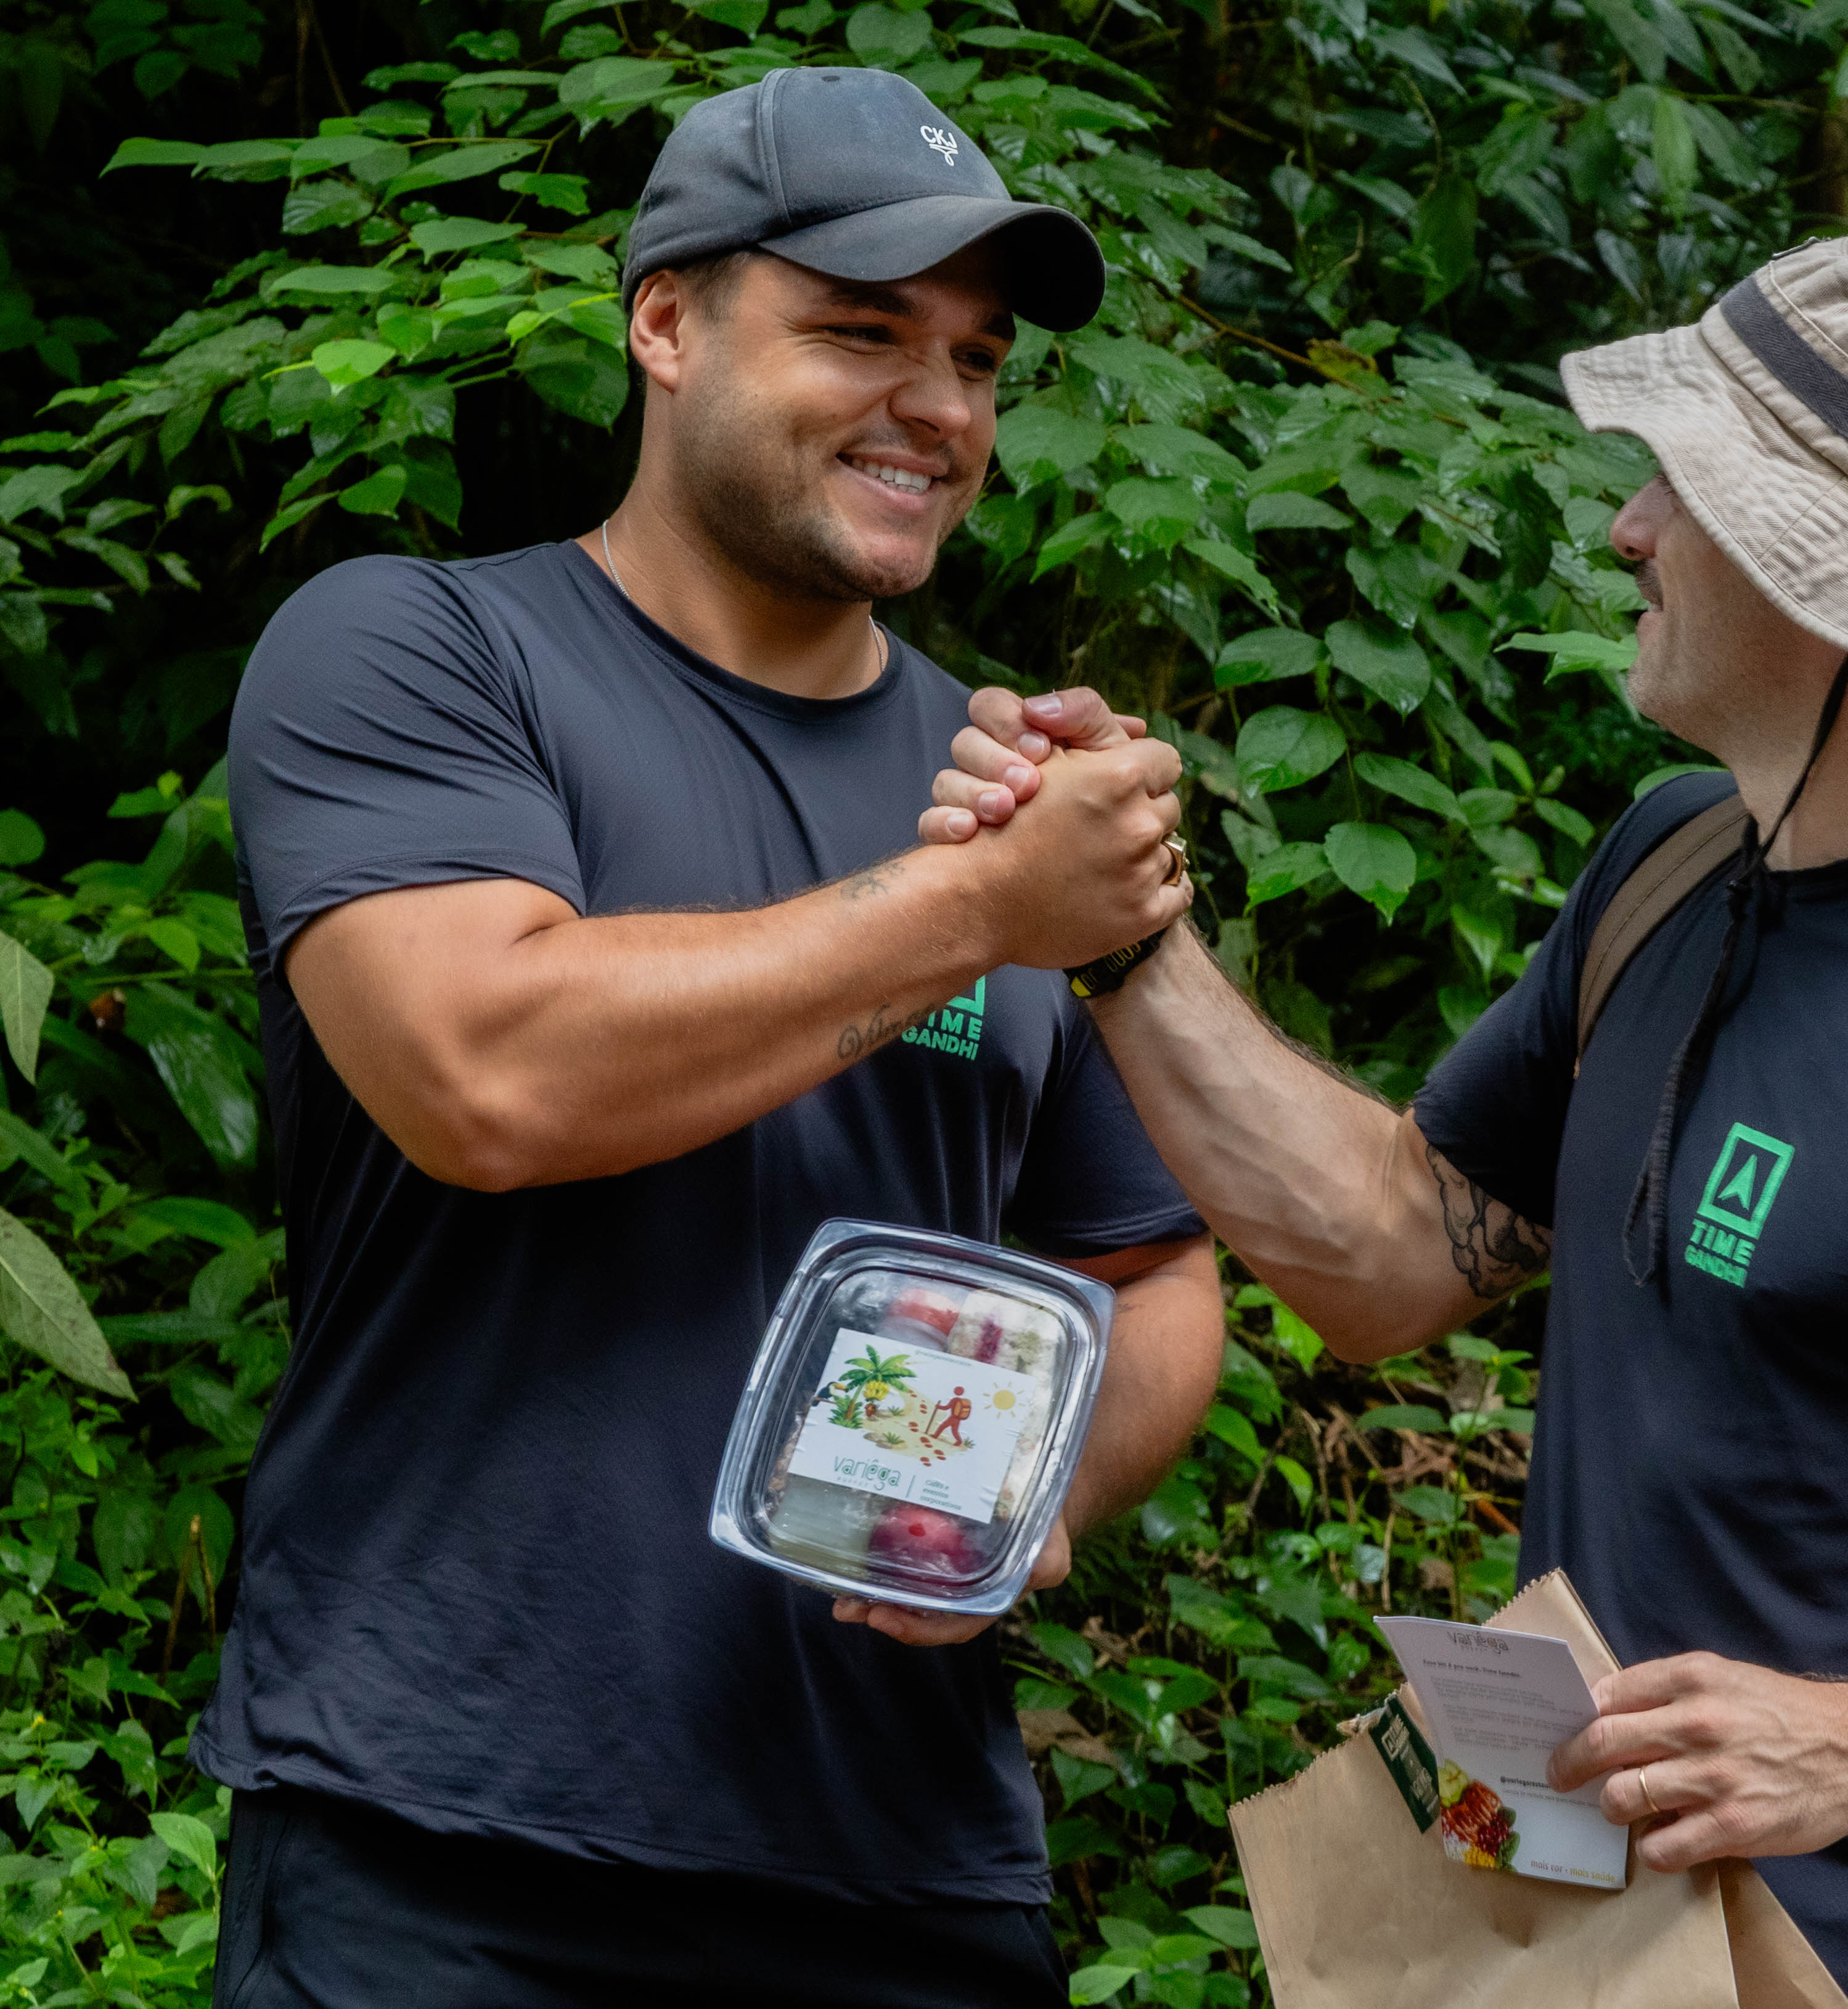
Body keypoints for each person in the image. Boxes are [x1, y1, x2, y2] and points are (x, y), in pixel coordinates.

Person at [904, 239, 1848, 2006]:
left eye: (1683, 483)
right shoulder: (1666, 867)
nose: (1626, 528)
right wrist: (1123, 937)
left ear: (1831, 572)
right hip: (1583, 1953)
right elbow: (1389, 1247)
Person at [205, 68, 1220, 2009]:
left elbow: (1152, 1263)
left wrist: (1037, 1490)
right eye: (858, 329)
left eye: (978, 360)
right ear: (661, 321)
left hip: (903, 1870)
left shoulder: (1012, 788)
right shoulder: (416, 650)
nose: (936, 406)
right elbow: (485, 1072)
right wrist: (979, 913)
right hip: (444, 1842)